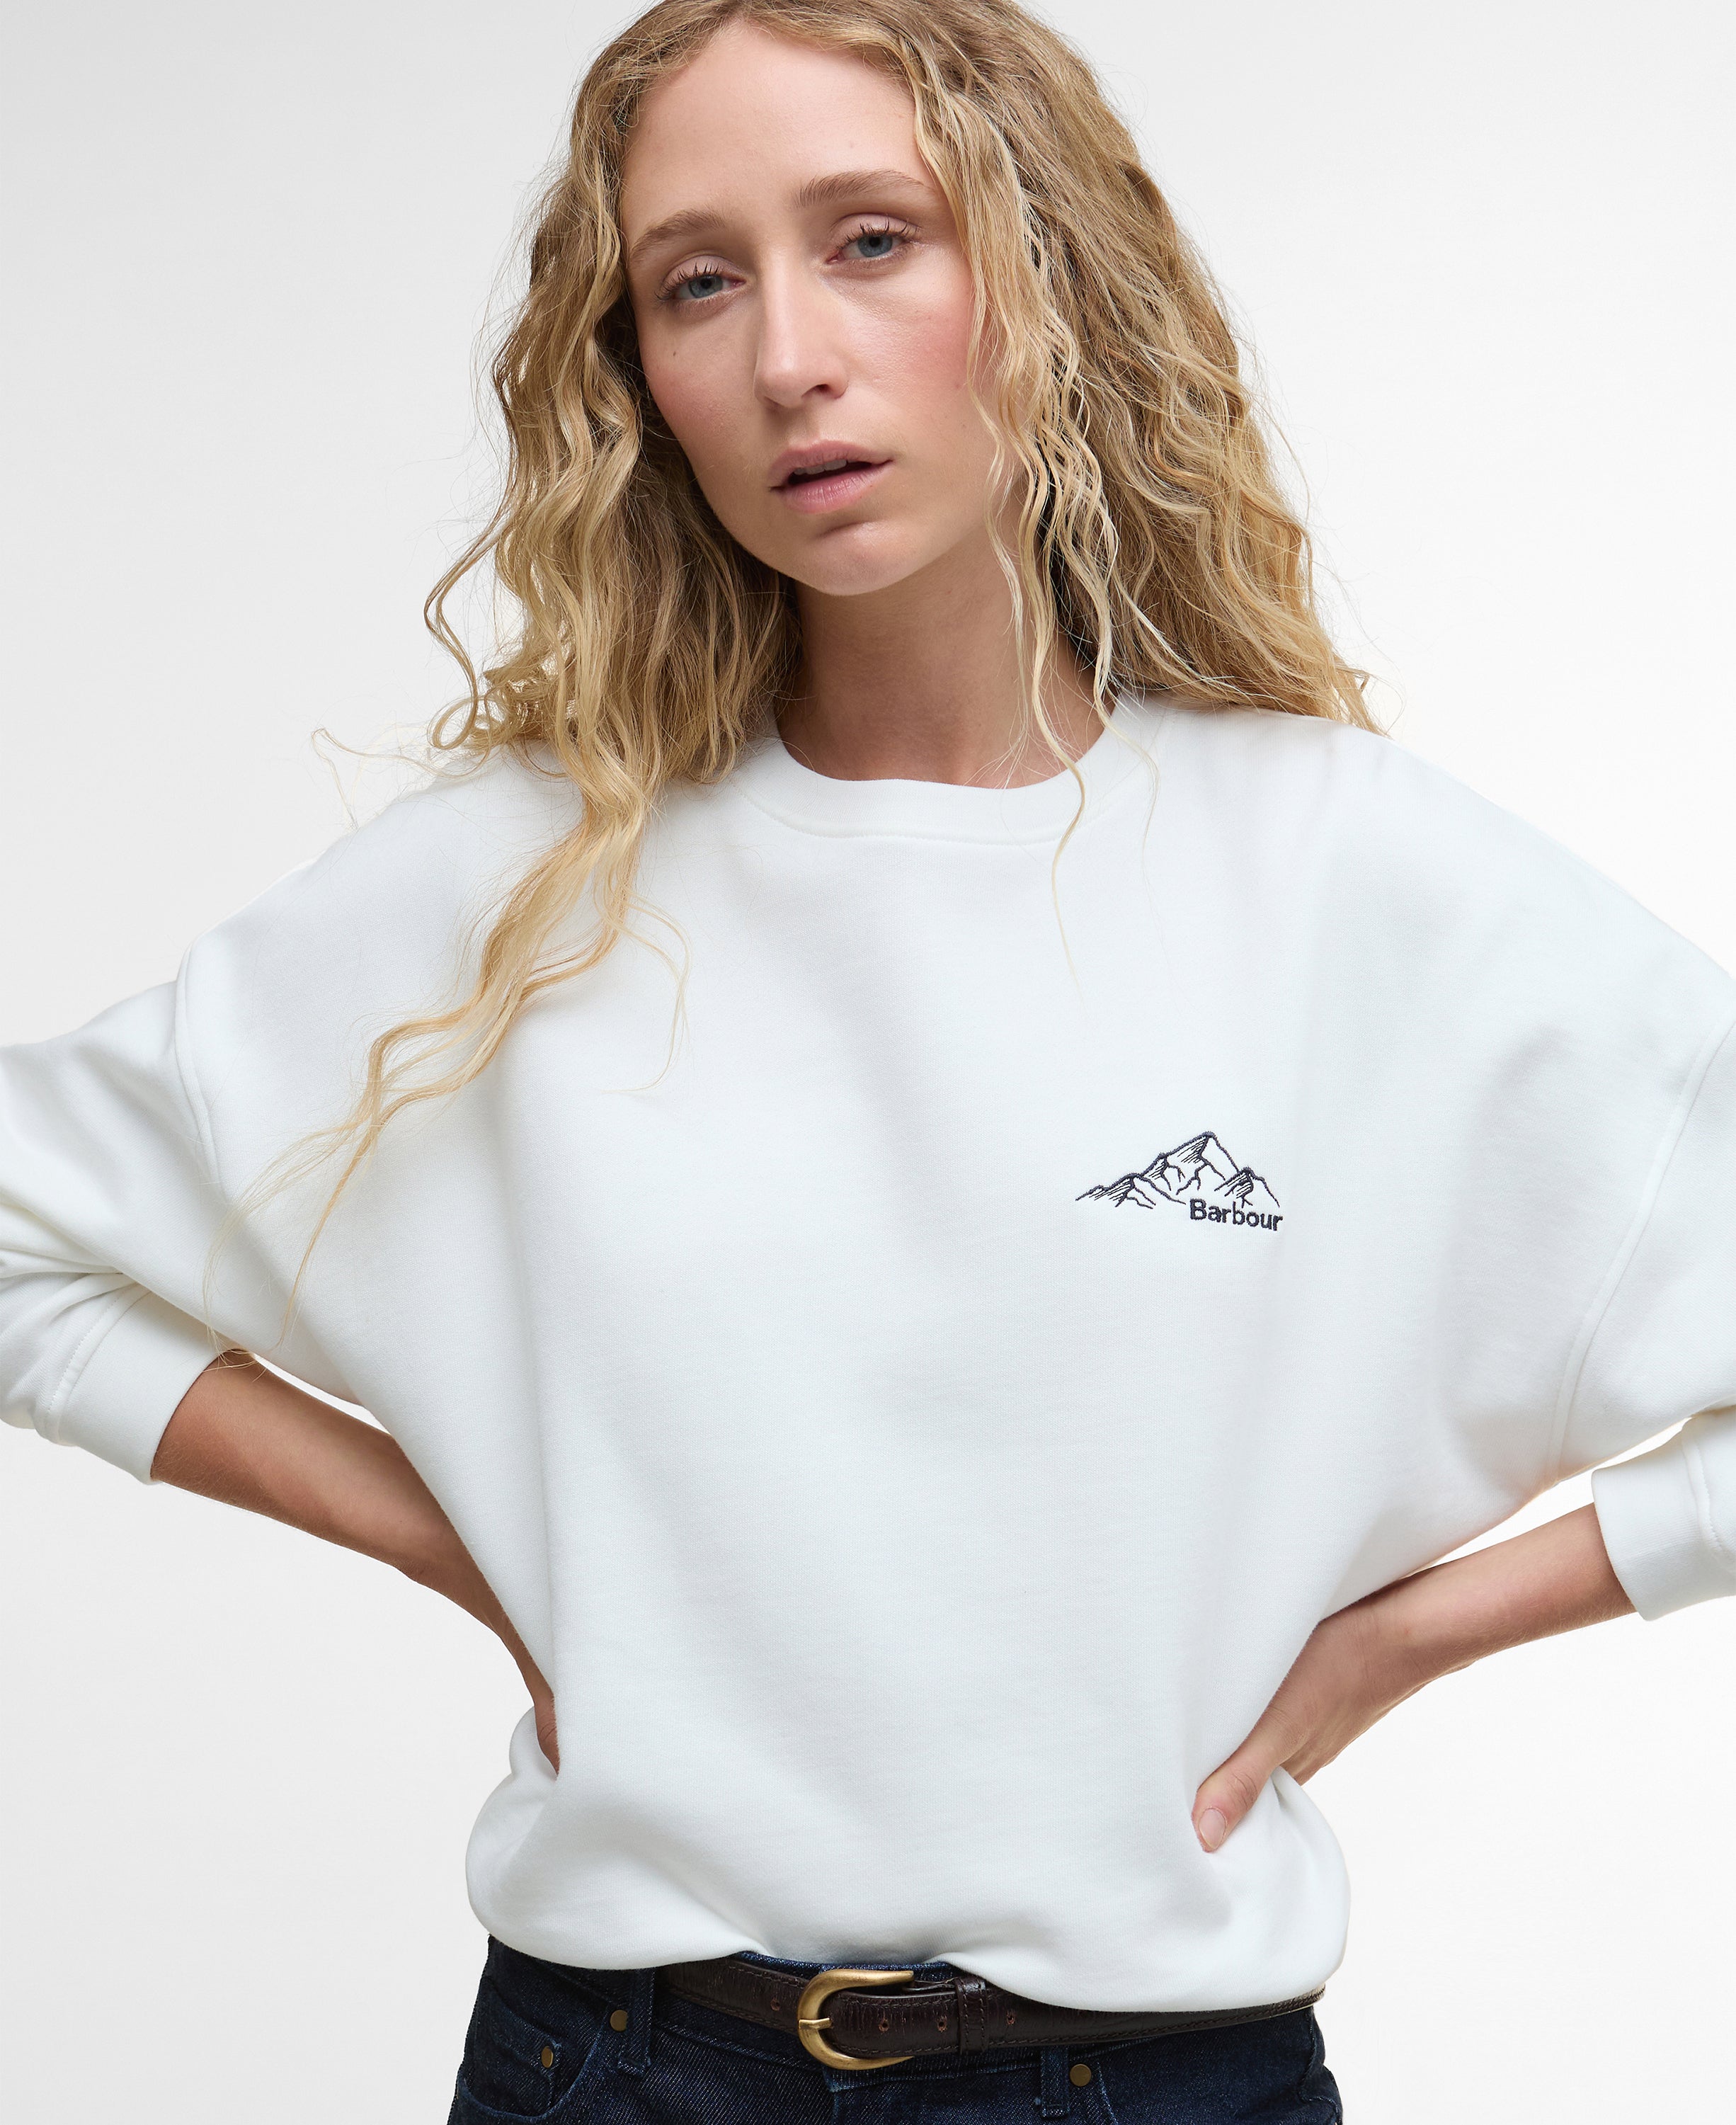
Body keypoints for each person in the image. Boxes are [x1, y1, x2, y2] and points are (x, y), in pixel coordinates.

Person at [4, 0, 1733, 2118]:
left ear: (1046, 267)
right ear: (635, 374)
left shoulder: (1346, 874)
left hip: (1155, 2082)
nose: (788, 358)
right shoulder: (532, 880)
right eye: (696, 282)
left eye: (872, 241)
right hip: (617, 2065)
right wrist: (457, 1540)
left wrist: (1406, 1636)